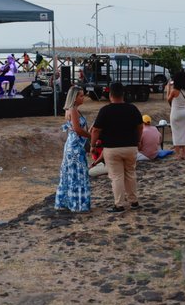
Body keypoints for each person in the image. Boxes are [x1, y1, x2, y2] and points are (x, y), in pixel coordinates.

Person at [89, 81, 143, 212]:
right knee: (130, 173)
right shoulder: (132, 108)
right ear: (123, 94)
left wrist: (92, 145)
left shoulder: (105, 110)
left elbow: (96, 130)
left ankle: (119, 204)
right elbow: (140, 126)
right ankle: (134, 201)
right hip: (130, 146)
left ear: (110, 95)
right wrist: (138, 140)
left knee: (116, 176)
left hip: (111, 148)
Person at [55, 87, 92, 212]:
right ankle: (78, 203)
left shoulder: (72, 110)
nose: (83, 98)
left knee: (73, 173)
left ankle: (70, 202)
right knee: (77, 174)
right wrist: (90, 136)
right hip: (75, 146)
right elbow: (77, 129)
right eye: (81, 95)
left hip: (73, 144)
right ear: (74, 97)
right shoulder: (73, 110)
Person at [166, 70, 185, 161]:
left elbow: (168, 99)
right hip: (184, 113)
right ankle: (184, 153)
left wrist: (168, 88)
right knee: (183, 132)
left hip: (175, 113)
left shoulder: (174, 91)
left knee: (175, 133)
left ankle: (177, 154)